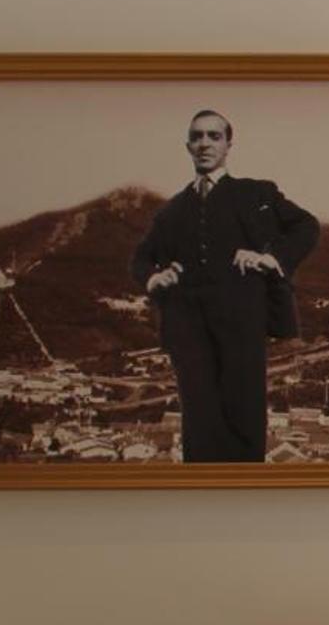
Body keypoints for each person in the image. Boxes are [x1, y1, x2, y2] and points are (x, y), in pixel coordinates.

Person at [130, 109, 319, 462]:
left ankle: (244, 492)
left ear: (228, 145)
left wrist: (271, 257)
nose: (205, 144)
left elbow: (307, 226)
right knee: (198, 424)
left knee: (244, 417)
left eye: (214, 136)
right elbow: (141, 258)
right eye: (197, 137)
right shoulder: (172, 210)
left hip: (243, 325)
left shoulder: (256, 193)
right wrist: (154, 277)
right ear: (188, 146)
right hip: (188, 330)